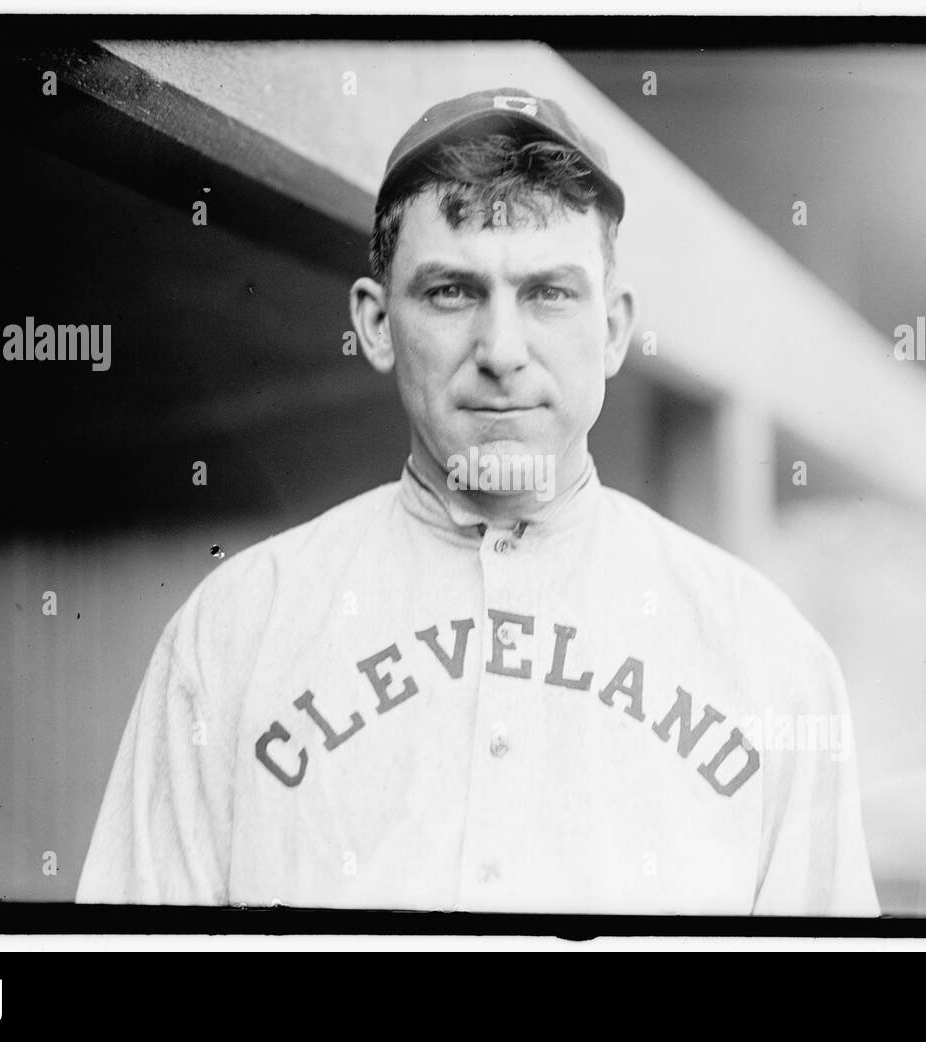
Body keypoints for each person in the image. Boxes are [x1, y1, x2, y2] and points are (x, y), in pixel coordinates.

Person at [77, 87, 880, 916]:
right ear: (377, 322)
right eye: (452, 292)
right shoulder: (234, 634)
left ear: (612, 329)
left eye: (550, 293)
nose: (501, 351)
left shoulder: (769, 657)